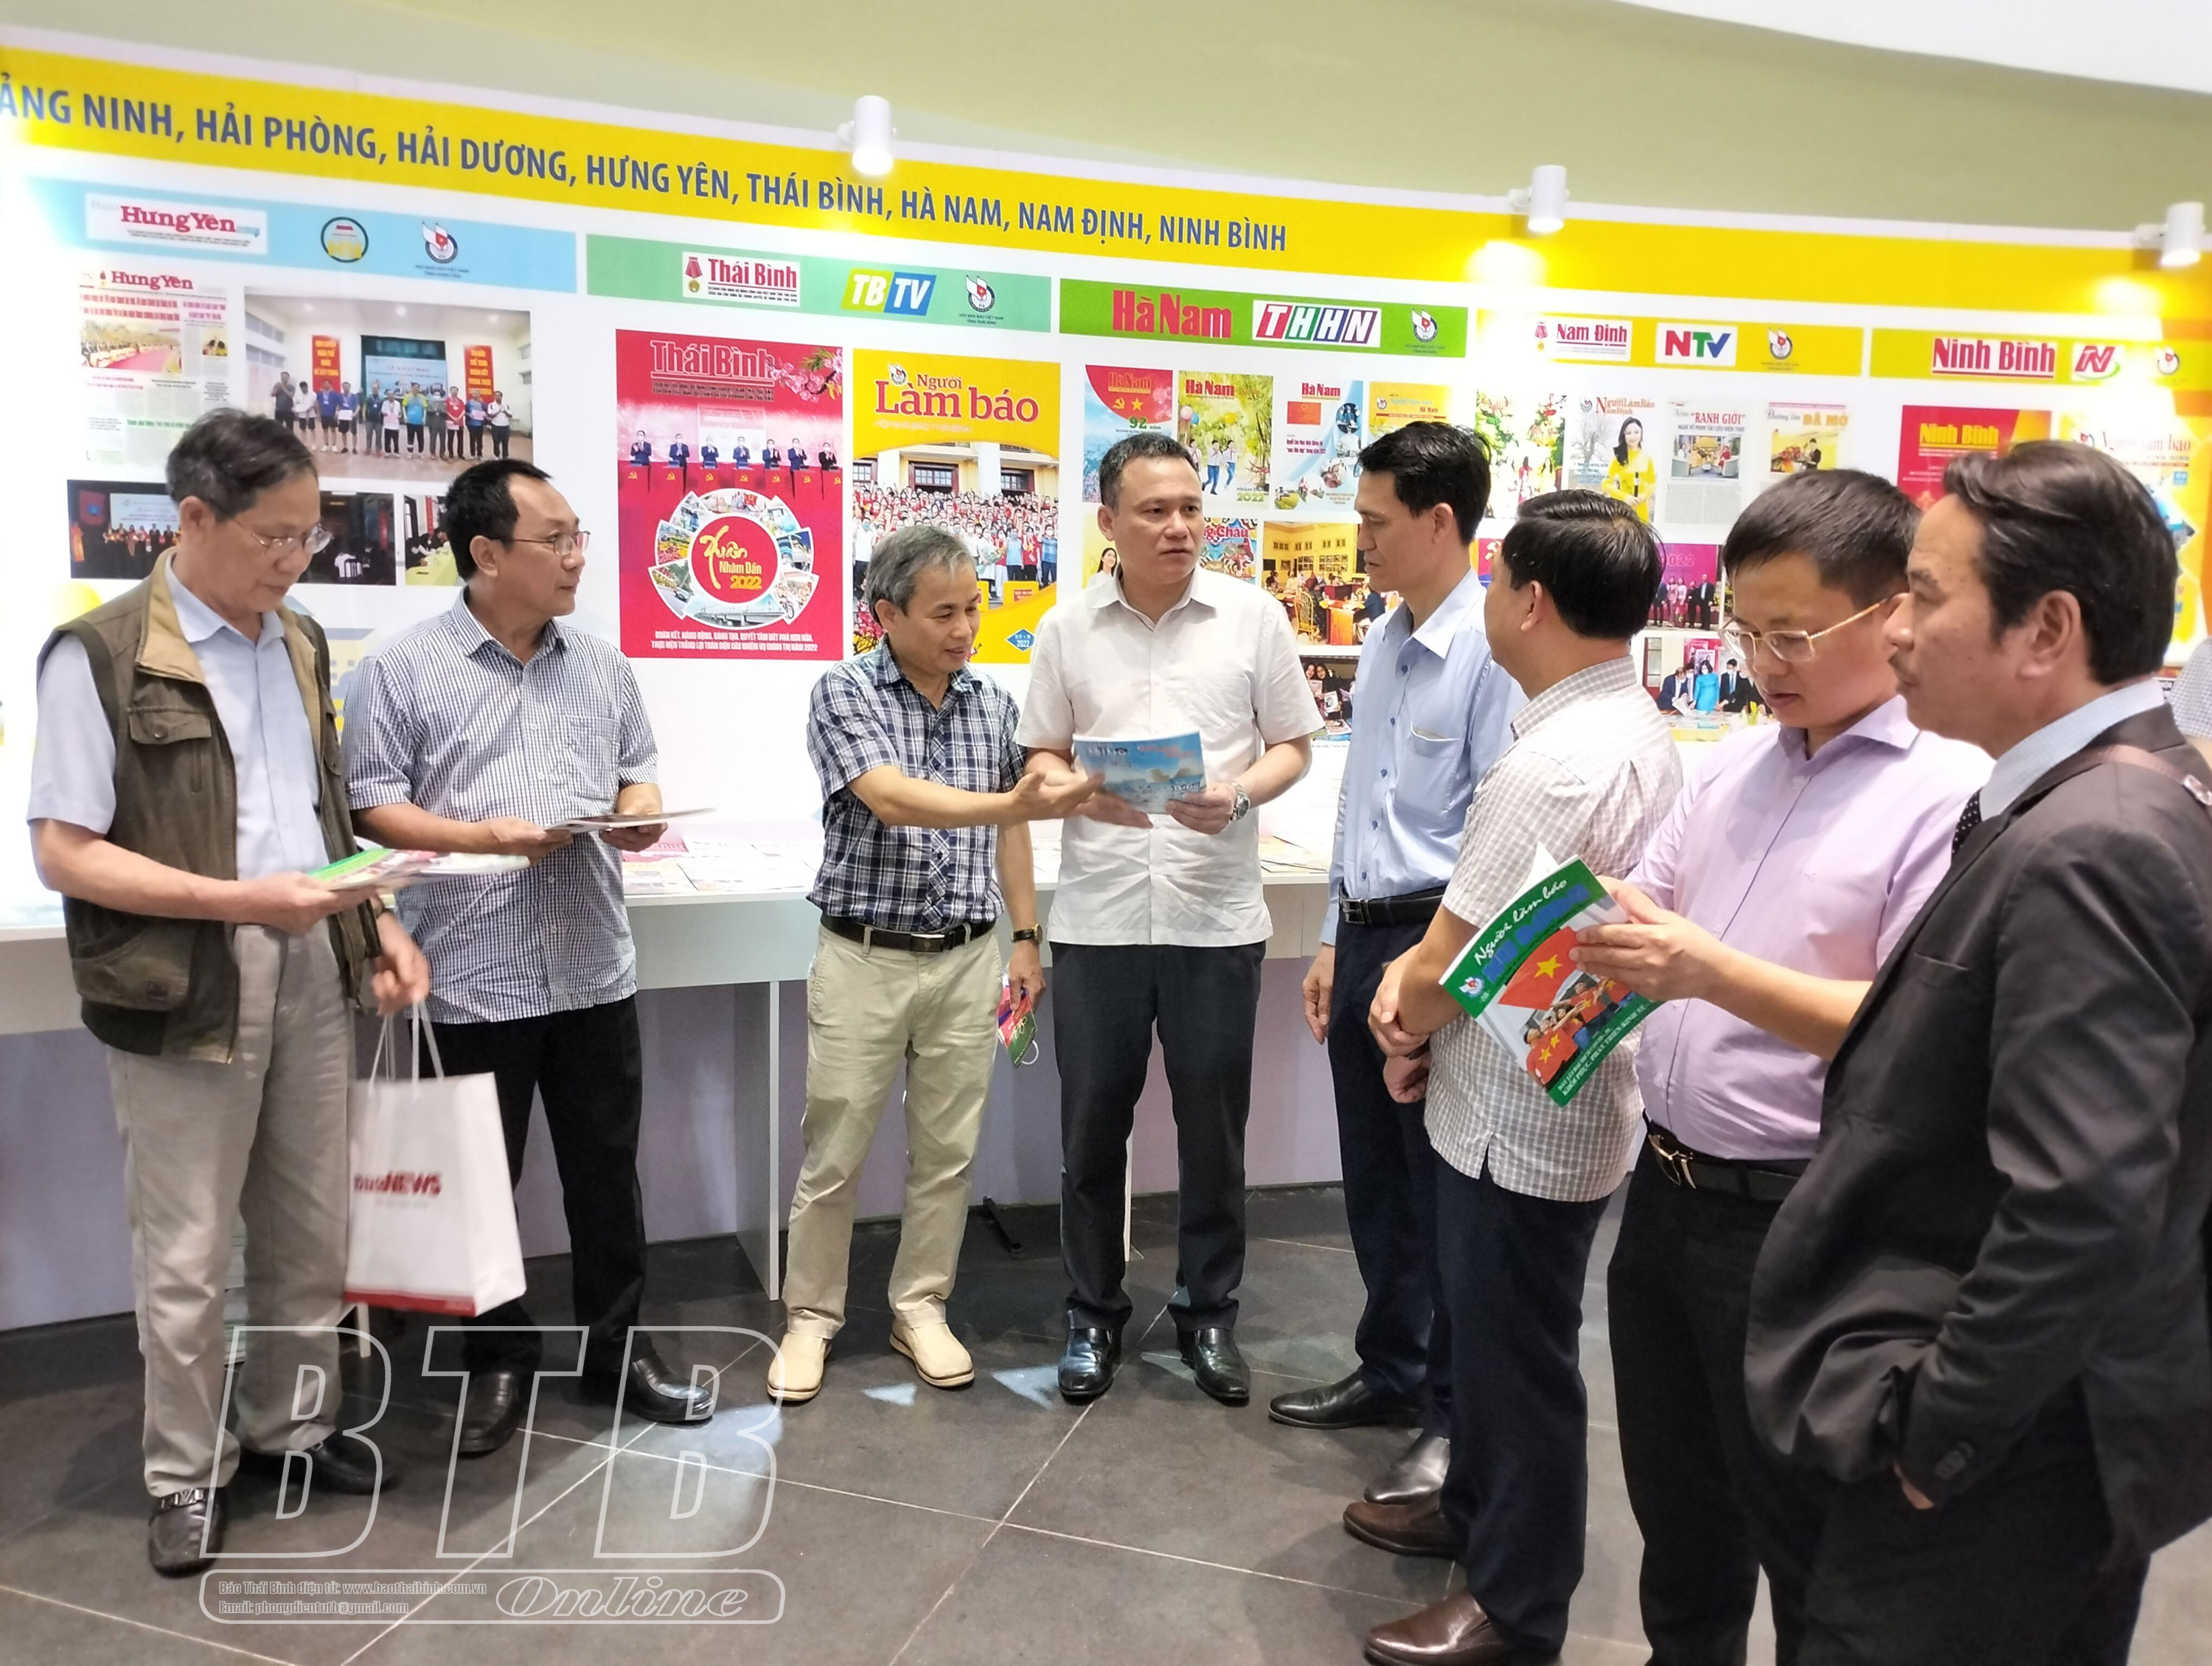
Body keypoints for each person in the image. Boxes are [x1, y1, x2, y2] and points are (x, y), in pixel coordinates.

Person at [1746, 440, 2212, 1666]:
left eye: (1926, 594)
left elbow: (2085, 1199)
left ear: (2046, 628)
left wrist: (1937, 1433)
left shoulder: (2096, 841)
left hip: (2002, 1467)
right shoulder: (2108, 798)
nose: (1896, 630)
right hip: (2042, 1431)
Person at [1568, 470, 1989, 1666]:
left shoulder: (1946, 793)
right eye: (1743, 630)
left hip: (1804, 1219)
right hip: (1665, 1193)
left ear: (1891, 612)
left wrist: (1706, 969)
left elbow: (1916, 1034)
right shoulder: (1734, 764)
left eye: (1792, 633)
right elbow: (1653, 903)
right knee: (1678, 1513)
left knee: (1808, 1536)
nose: (1763, 661)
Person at [26, 411, 431, 1576]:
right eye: (275, 536)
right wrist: (240, 901)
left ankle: (292, 1426)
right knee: (189, 1250)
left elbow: (321, 814)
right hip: (185, 979)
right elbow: (65, 851)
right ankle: (184, 1471)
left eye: (311, 536)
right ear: (194, 517)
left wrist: (377, 919)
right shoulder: (100, 654)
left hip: (312, 961)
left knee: (311, 1226)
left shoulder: (296, 639)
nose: (296, 559)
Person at [1355, 490, 1680, 1666]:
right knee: (1495, 1338)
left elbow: (1454, 960)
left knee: (1517, 1361)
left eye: (1497, 580)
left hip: (1518, 1113)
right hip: (1543, 1082)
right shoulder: (1634, 727)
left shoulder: (1550, 763)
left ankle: (1516, 1600)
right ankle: (1472, 1508)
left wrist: (1400, 1018)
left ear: (1530, 600)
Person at [342, 458, 714, 1457]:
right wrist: (482, 836)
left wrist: (638, 814)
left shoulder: (602, 665)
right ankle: (496, 1357)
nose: (577, 556)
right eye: (557, 540)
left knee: (607, 1175)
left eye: (578, 535)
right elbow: (371, 804)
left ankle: (617, 1349)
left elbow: (637, 775)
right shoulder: (400, 668)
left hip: (592, 964)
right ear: (487, 552)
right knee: (478, 1184)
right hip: (468, 971)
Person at [765, 526, 1099, 1405]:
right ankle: (811, 1317)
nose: (965, 629)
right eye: (944, 613)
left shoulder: (994, 704)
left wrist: (1024, 938)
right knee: (835, 1150)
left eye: (973, 609)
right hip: (864, 956)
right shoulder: (844, 691)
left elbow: (1011, 830)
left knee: (948, 1152)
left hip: (968, 959)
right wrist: (1011, 801)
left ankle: (921, 1307)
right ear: (887, 613)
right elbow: (889, 797)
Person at [1018, 431, 1318, 1406]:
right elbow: (1039, 754)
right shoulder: (1066, 627)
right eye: (1155, 510)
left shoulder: (1252, 617)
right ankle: (1092, 1313)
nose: (1180, 526)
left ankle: (1209, 1315)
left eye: (1192, 507)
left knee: (1213, 1133)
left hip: (1214, 917)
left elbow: (1293, 745)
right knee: (1090, 1131)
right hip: (1100, 920)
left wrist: (1239, 791)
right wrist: (1076, 790)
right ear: (1109, 521)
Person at [1265, 426, 1523, 1519]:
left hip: (1437, 943)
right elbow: (1357, 802)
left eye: (1373, 521)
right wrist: (1334, 937)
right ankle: (1392, 1365)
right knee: (1374, 1176)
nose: (1358, 540)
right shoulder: (1380, 637)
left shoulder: (1492, 651)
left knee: (1441, 1187)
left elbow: (1498, 832)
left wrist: (1427, 972)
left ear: (1439, 522)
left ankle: (1453, 1417)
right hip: (1369, 930)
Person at [1602, 416, 1657, 521]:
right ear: (1624, 435)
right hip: (1625, 509)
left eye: (1636, 432)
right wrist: (1624, 497)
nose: (1633, 436)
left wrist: (1644, 496)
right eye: (1628, 433)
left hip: (1642, 510)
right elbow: (1606, 484)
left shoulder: (1647, 458)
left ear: (1641, 433)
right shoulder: (1618, 459)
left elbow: (1652, 483)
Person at [425, 383, 448, 460]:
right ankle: (433, 453)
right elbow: (428, 411)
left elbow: (446, 413)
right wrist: (434, 410)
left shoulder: (444, 403)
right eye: (435, 394)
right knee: (433, 438)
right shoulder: (430, 403)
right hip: (433, 423)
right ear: (433, 395)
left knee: (443, 439)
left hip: (442, 423)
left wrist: (441, 411)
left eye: (438, 395)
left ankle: (442, 453)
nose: (437, 396)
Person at [443, 384, 465, 459]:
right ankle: (451, 453)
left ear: (458, 392)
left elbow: (463, 411)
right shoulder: (447, 400)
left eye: (456, 391)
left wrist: (458, 418)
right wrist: (453, 418)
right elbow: (446, 410)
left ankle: (460, 454)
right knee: (450, 438)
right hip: (451, 422)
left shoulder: (461, 401)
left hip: (460, 423)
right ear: (450, 392)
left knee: (460, 439)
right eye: (453, 391)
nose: (454, 392)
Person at [487, 391, 512, 459]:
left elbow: (510, 415)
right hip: (496, 426)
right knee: (496, 441)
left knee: (505, 442)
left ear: (501, 397)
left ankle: (505, 456)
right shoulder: (491, 405)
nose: (498, 397)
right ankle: (496, 455)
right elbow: (490, 415)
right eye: (496, 396)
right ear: (494, 397)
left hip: (505, 426)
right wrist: (498, 411)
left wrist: (505, 411)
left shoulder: (506, 405)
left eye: (499, 396)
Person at [335, 382, 358, 454]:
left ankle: (354, 448)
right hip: (343, 416)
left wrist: (355, 413)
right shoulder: (340, 396)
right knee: (343, 432)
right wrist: (337, 412)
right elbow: (338, 405)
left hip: (351, 416)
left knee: (354, 432)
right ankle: (345, 447)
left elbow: (358, 406)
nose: (346, 388)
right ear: (342, 387)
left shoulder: (354, 396)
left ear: (350, 387)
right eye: (344, 387)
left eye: (347, 386)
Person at [465, 390, 487, 458]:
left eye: (477, 394)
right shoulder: (469, 403)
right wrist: (469, 415)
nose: (475, 395)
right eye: (474, 394)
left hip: (480, 424)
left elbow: (486, 411)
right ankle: (472, 454)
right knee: (472, 439)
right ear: (472, 395)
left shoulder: (482, 404)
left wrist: (485, 415)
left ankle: (480, 454)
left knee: (480, 440)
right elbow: (465, 412)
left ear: (479, 395)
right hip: (472, 424)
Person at [381, 390, 402, 456]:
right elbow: (383, 411)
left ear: (394, 396)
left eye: (392, 395)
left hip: (395, 424)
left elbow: (400, 412)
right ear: (387, 396)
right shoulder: (385, 403)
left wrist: (400, 416)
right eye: (389, 395)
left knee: (396, 439)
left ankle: (396, 451)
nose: (391, 396)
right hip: (387, 424)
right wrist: (385, 414)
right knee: (387, 439)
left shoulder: (398, 403)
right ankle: (388, 451)